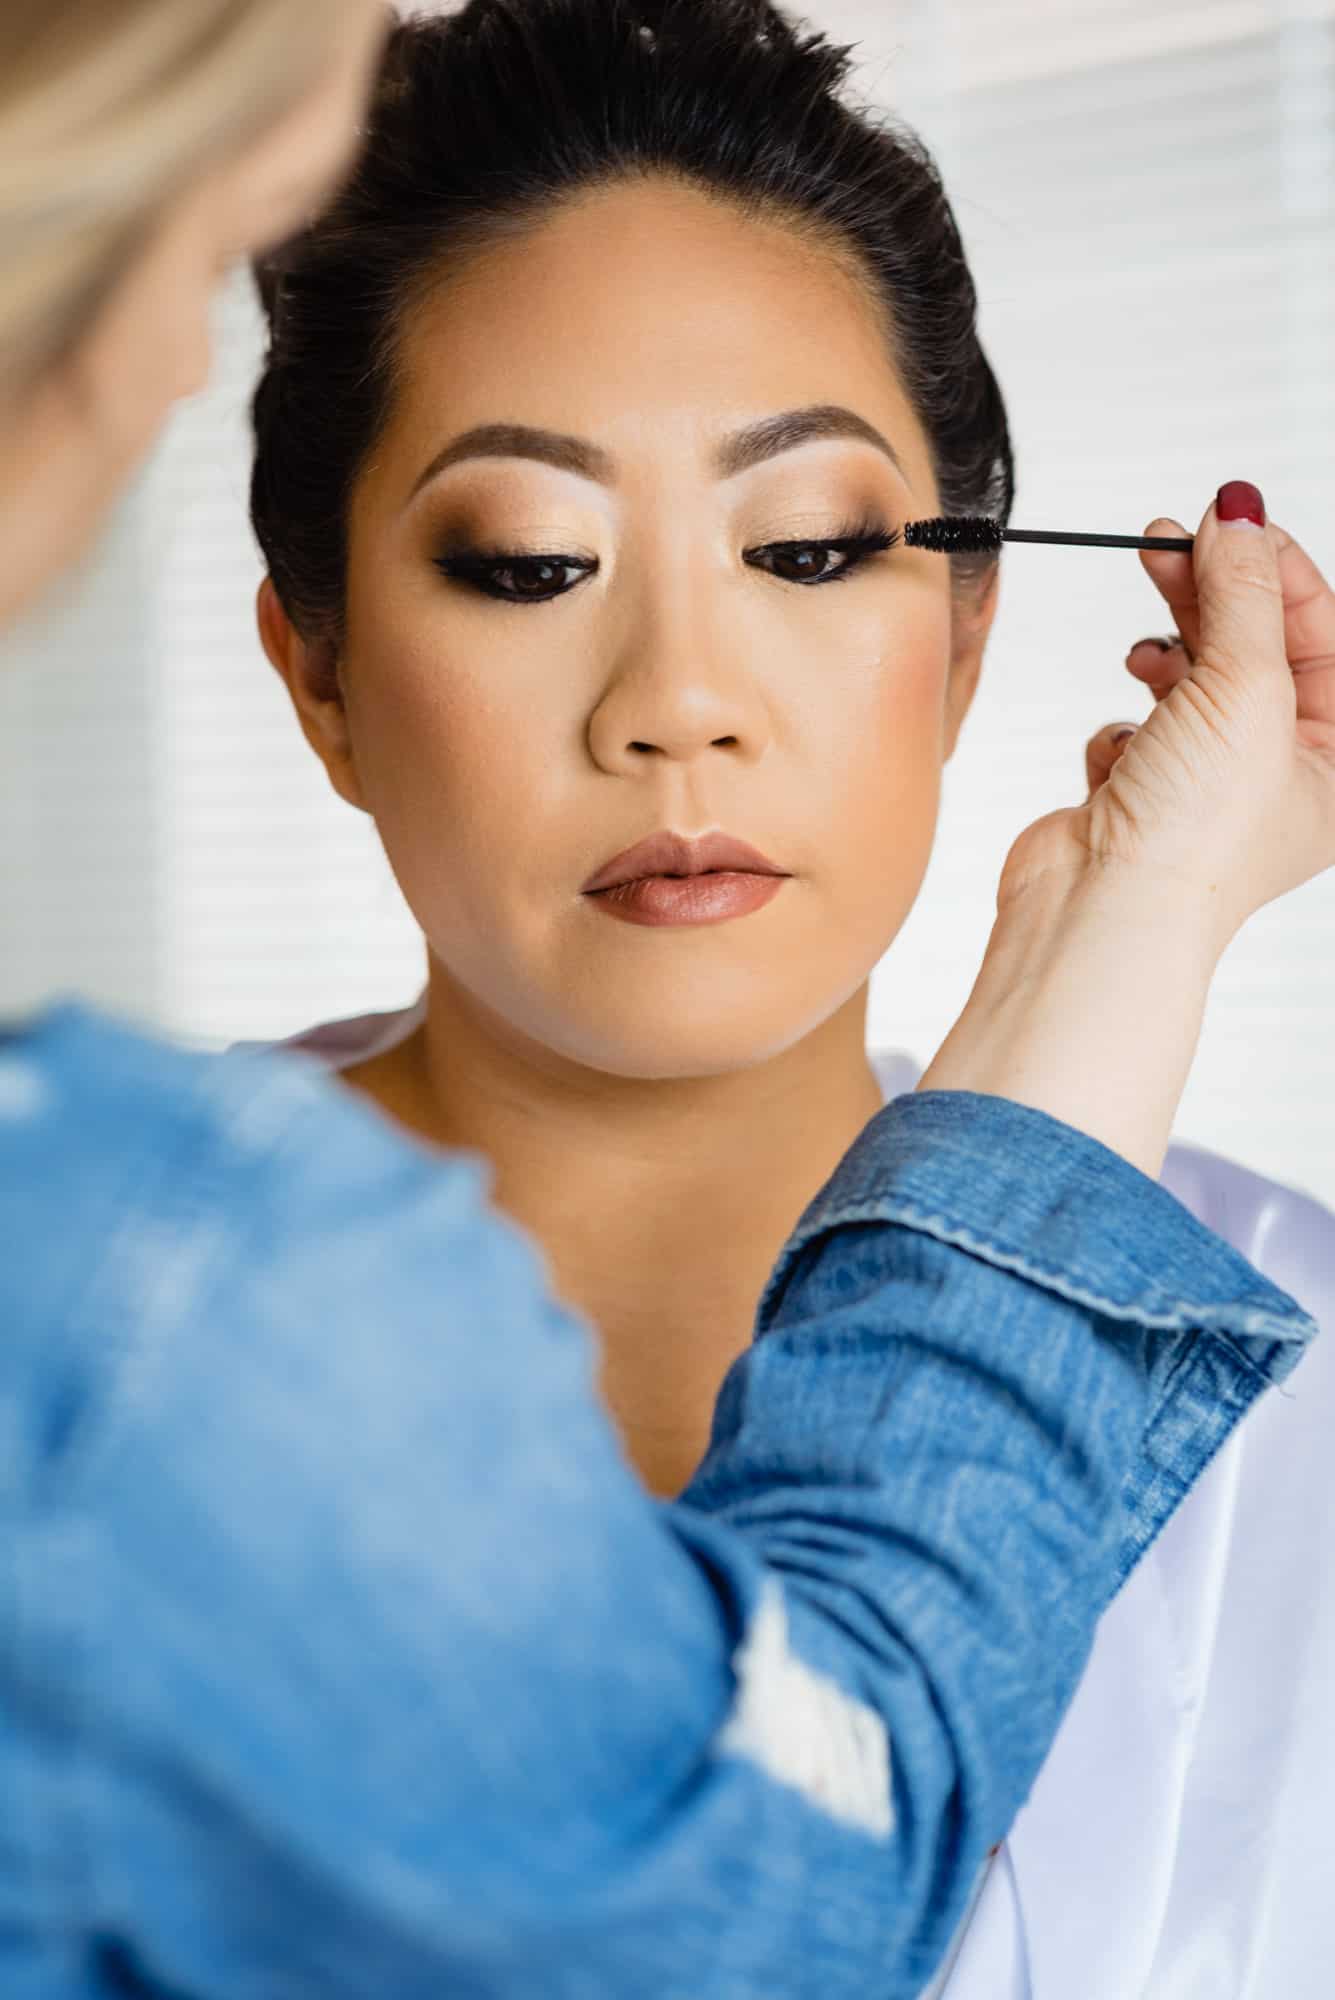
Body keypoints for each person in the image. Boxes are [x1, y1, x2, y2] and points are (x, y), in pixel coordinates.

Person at [0, 2, 1330, 1996]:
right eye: (527, 563)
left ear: (967, 628)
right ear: (320, 674)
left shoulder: (1285, 1351)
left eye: (802, 544)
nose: (678, 702)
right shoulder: (138, 1299)